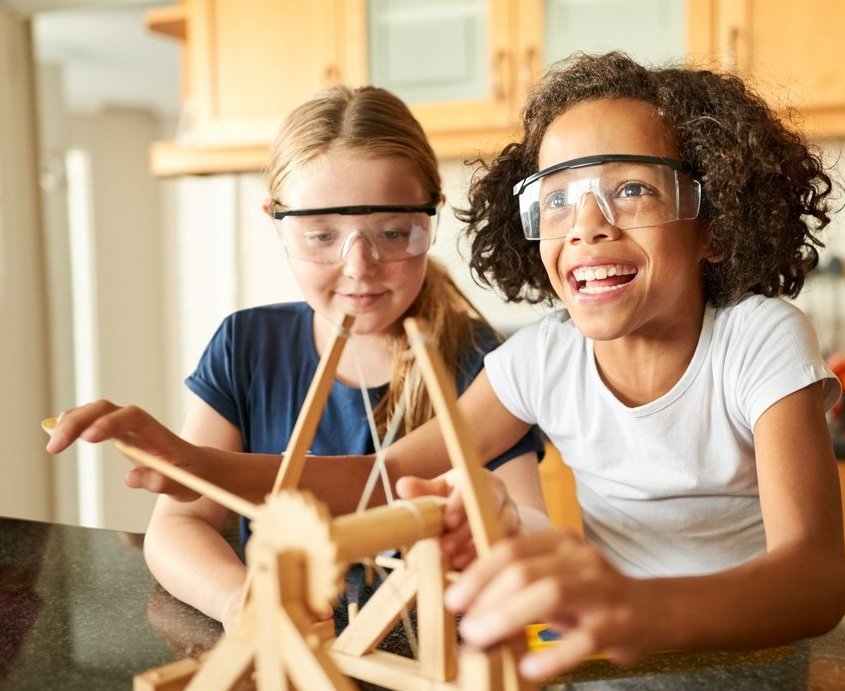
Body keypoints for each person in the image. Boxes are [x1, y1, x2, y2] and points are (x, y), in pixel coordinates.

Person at [48, 53, 845, 679]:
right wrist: (195, 463)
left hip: (747, 666)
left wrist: (632, 606)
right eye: (559, 200)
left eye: (632, 189)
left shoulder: (761, 339)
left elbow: (815, 580)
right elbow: (378, 478)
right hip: (609, 660)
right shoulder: (542, 359)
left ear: (718, 221)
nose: (588, 227)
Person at [50, 84, 545, 627]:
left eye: (393, 233)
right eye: (321, 236)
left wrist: (499, 522)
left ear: (432, 217)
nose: (359, 265)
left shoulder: (480, 361)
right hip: (285, 652)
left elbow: (527, 529)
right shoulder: (247, 346)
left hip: (434, 658)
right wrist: (242, 604)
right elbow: (180, 525)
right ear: (277, 222)